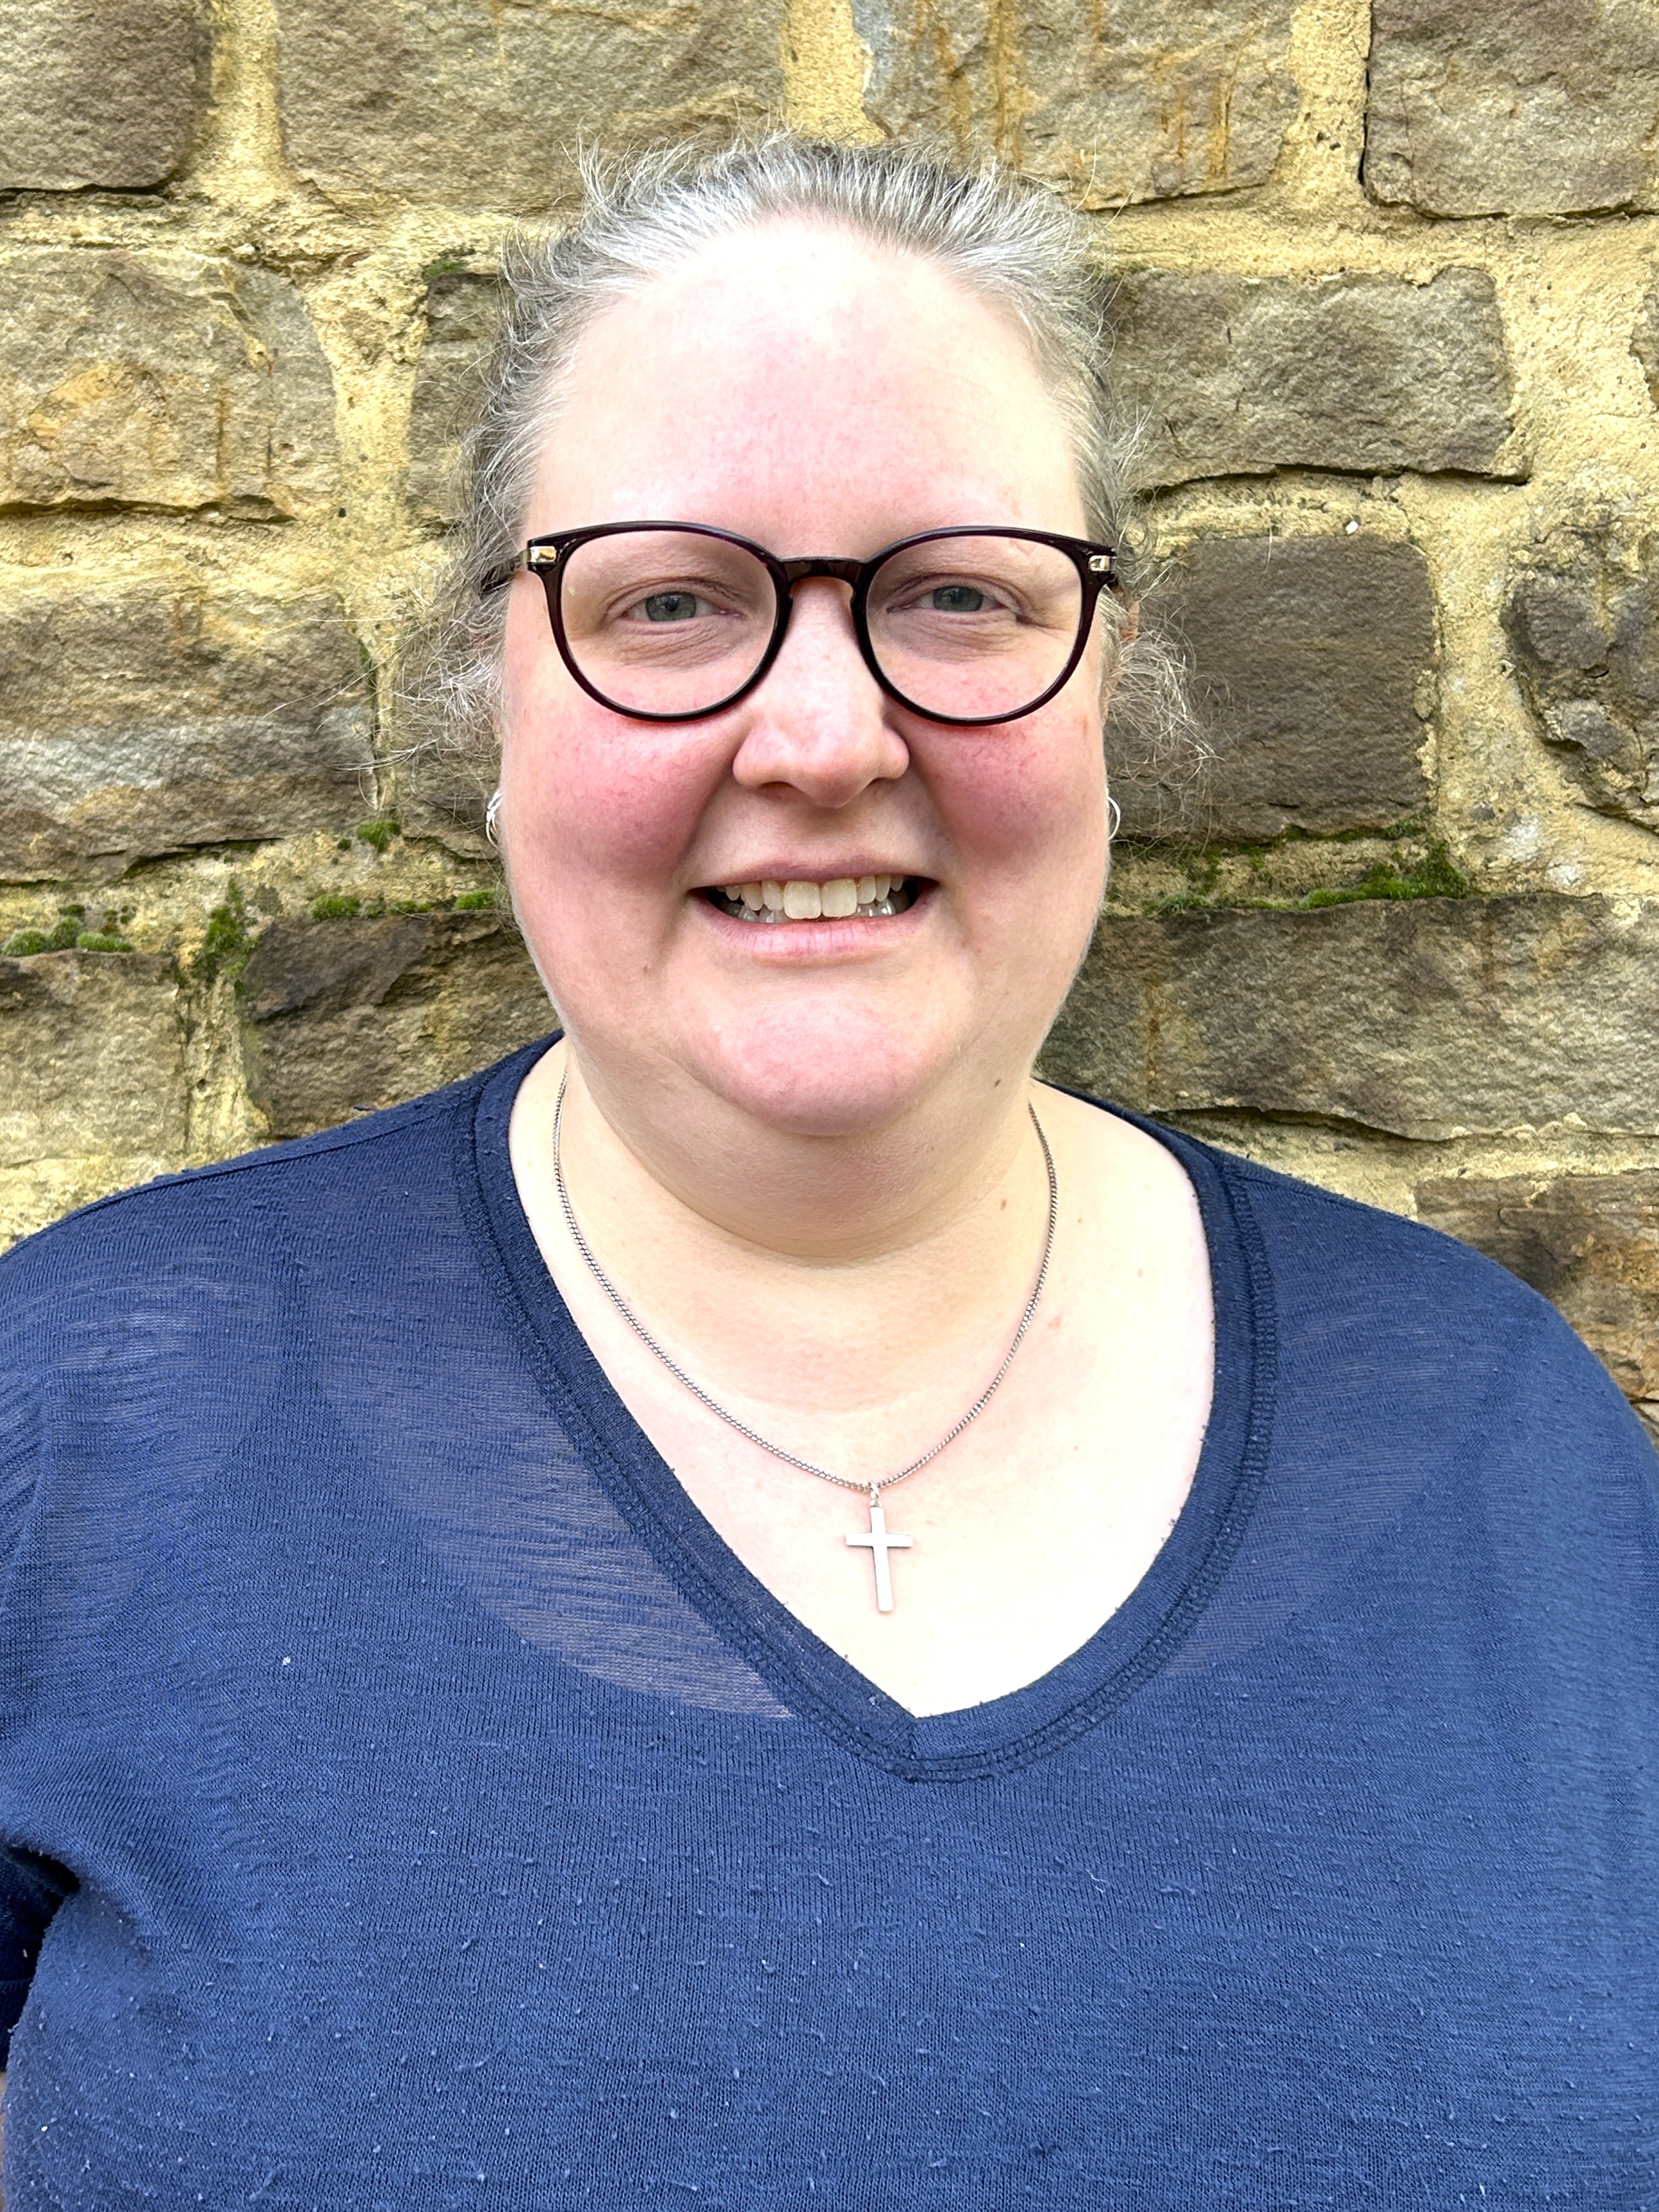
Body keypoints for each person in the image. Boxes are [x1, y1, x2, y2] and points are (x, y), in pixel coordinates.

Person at [0, 135, 1653, 2209]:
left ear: (1106, 679)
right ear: (493, 701)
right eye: (669, 601)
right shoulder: (76, 1424)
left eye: (956, 593)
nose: (821, 737)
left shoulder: (1515, 1452)